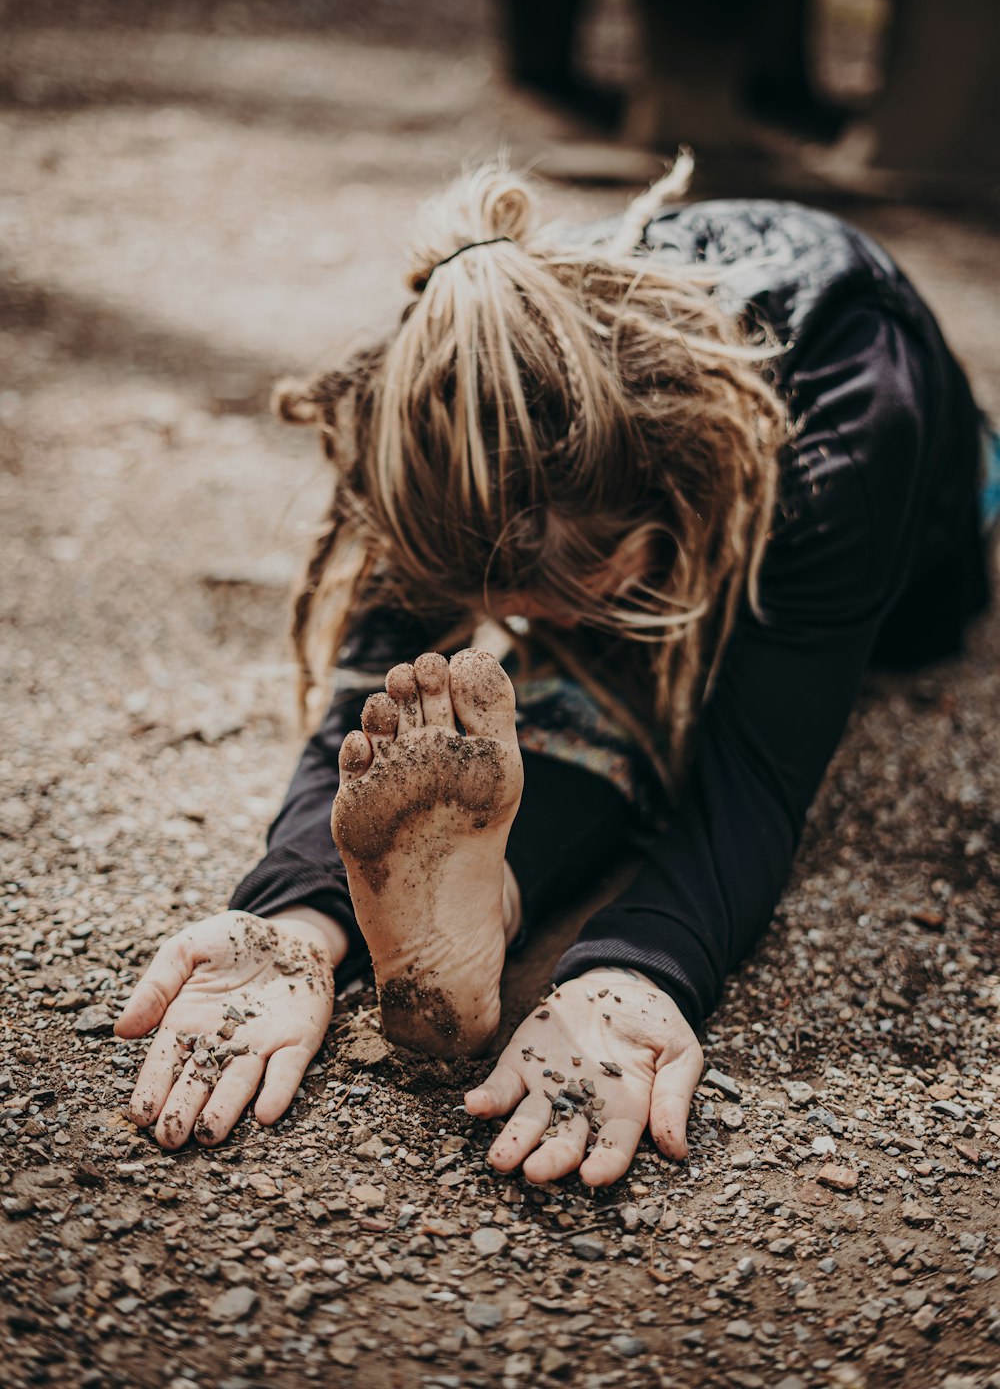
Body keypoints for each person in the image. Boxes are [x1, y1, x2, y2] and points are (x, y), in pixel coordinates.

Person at [113, 156, 993, 1186]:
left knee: (681, 690)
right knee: (547, 678)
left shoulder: (846, 424)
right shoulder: (461, 404)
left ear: (663, 492)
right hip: (643, 502)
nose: (539, 627)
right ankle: (488, 904)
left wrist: (636, 969)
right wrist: (296, 910)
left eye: (576, 595)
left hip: (923, 536)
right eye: (517, 606)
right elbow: (370, 696)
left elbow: (754, 777)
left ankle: (501, 887)